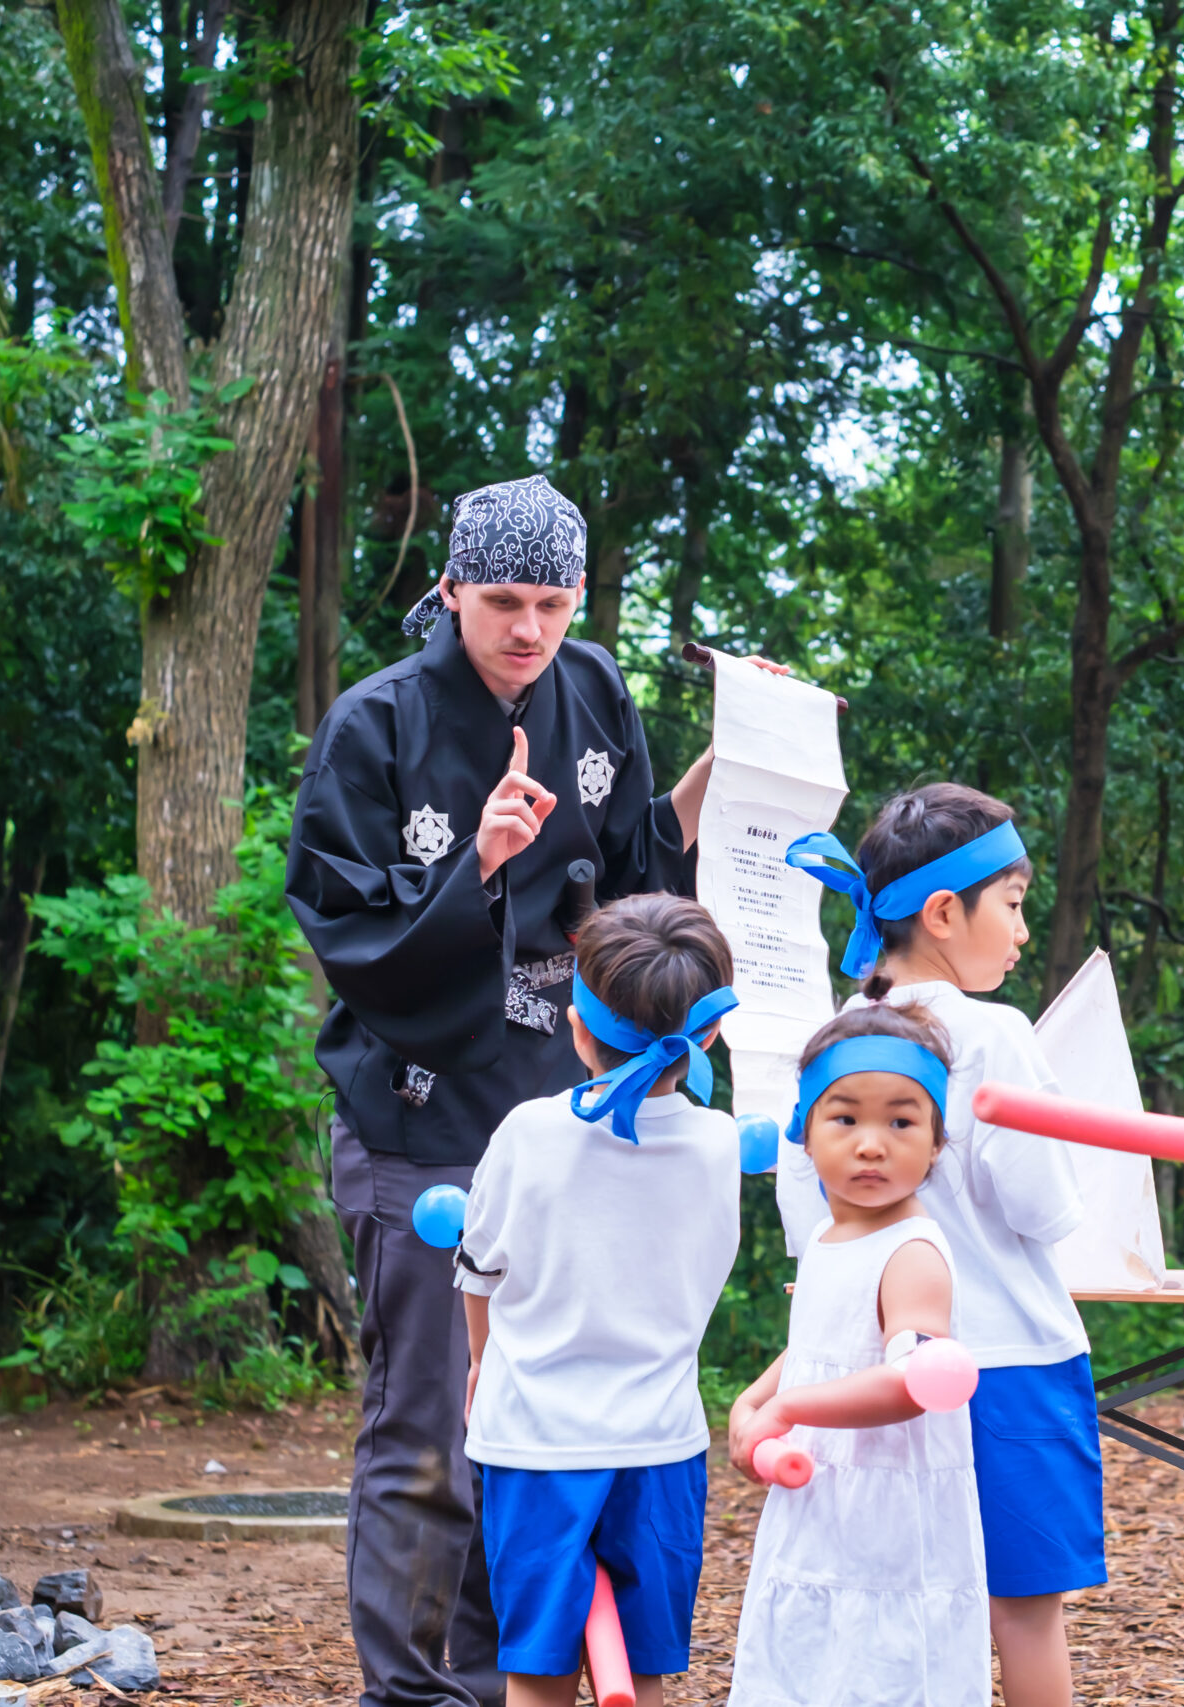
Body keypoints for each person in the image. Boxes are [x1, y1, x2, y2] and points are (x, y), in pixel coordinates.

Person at [287, 473, 751, 1707]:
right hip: (425, 1110)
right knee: (432, 1424)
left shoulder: (592, 689)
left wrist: (729, 765)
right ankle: (412, 1691)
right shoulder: (375, 726)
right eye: (501, 600)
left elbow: (641, 869)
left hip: (566, 1115)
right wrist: (480, 866)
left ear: (579, 596)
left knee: (534, 1428)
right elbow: (343, 931)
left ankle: (506, 1680)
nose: (528, 628)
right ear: (450, 590)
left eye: (552, 602)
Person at [785, 785, 1098, 1707]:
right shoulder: (995, 1033)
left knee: (889, 1607)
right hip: (1009, 1364)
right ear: (943, 911)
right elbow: (1046, 1208)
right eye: (1014, 903)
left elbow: (810, 1220)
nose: (1023, 931)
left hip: (871, 1382)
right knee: (1026, 1612)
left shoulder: (833, 1038)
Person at [455, 893, 742, 1707]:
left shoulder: (527, 1133)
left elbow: (479, 1271)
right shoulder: (719, 1143)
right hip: (660, 1444)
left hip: (535, 1445)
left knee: (537, 1676)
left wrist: (480, 1363)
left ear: (577, 1027)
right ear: (707, 1034)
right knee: (643, 1675)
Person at [725, 1002, 990, 1707]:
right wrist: (755, 1397)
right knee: (813, 1658)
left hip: (888, 1514)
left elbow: (911, 1382)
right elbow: (820, 1342)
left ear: (936, 1141)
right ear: (804, 1133)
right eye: (845, 1119)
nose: (872, 1145)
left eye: (901, 1122)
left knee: (877, 1666)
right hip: (823, 1495)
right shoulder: (826, 1237)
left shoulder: (912, 1253)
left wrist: (787, 1407)